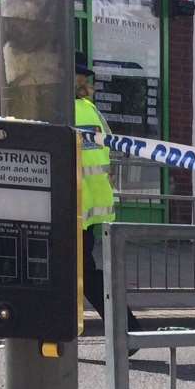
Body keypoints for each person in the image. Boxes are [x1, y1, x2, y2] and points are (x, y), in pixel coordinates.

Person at [75, 53, 140, 332]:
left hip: (68, 206)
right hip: (88, 206)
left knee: (82, 276)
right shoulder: (91, 110)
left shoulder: (58, 109)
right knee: (80, 274)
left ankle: (127, 330)